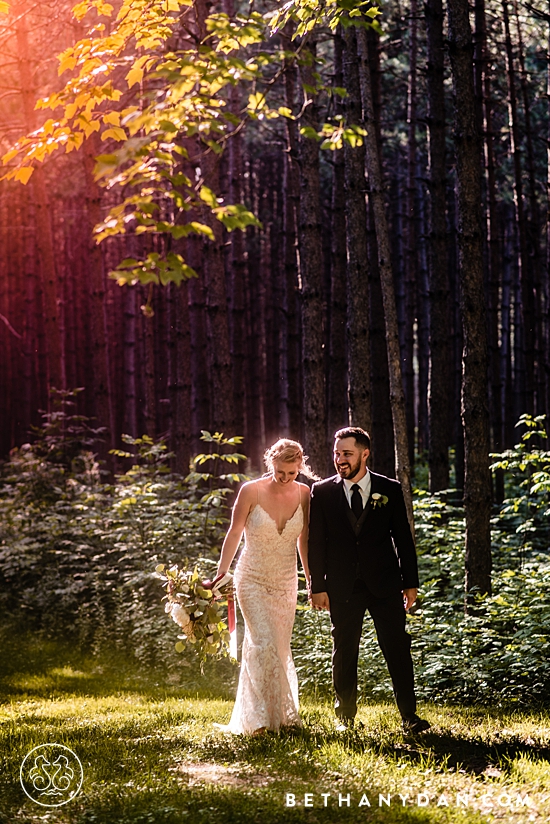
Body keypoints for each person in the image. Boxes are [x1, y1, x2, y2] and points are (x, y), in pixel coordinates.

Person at [308, 426, 430, 734]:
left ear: (365, 454)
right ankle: (345, 718)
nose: (340, 460)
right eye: (336, 454)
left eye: (347, 454)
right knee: (345, 649)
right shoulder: (321, 492)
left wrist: (410, 582)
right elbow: (316, 543)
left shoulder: (388, 488)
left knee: (397, 647)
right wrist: (317, 587)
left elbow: (403, 537)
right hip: (341, 585)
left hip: (385, 583)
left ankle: (409, 716)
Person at [214, 439, 314, 734]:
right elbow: (233, 533)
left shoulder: (304, 493)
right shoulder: (251, 490)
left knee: (280, 648)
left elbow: (303, 540)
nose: (284, 478)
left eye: (291, 473)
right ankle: (257, 719)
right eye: (279, 472)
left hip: (285, 581)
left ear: (300, 467)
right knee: (262, 643)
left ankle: (279, 716)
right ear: (270, 463)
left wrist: (310, 579)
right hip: (252, 578)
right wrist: (222, 574)